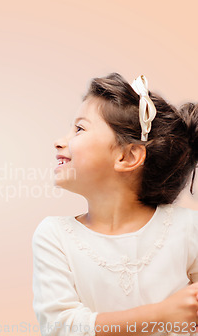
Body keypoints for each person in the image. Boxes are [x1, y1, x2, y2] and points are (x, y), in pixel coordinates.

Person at [32, 73, 198, 335]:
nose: (59, 141)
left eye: (79, 129)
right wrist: (162, 314)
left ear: (127, 156)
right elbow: (60, 327)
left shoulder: (188, 229)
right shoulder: (54, 236)